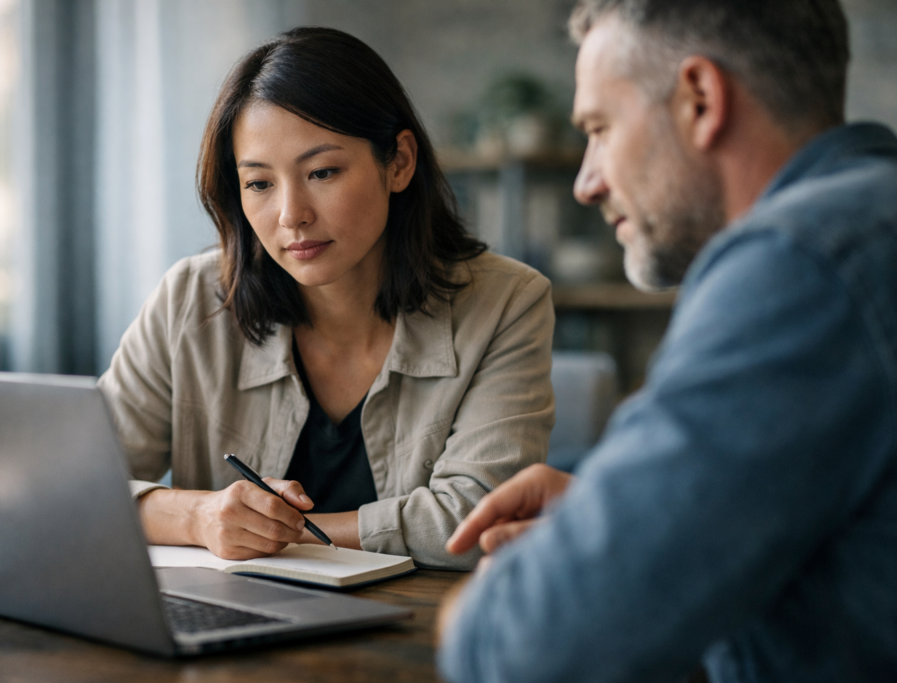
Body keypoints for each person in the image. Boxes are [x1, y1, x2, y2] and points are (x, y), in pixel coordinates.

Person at [438, 0, 897, 681]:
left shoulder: (799, 261)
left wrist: (476, 612)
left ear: (700, 100)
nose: (586, 183)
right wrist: (620, 506)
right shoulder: (870, 216)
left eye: (600, 127)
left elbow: (526, 645)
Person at [97, 27, 555, 570]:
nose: (292, 215)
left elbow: (476, 519)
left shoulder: (508, 302)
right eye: (260, 184)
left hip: (422, 631)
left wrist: (281, 536)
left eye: (322, 172)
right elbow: (78, 488)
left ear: (400, 163)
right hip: (232, 629)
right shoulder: (189, 300)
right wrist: (199, 518)